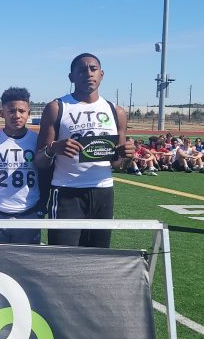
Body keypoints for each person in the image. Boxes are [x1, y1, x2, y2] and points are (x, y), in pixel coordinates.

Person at [34, 52, 134, 248]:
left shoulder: (116, 111)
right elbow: (39, 161)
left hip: (103, 192)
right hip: (66, 192)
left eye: (93, 69)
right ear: (71, 77)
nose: (88, 73)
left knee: (98, 255)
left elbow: (118, 164)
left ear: (101, 74)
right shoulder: (57, 107)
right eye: (81, 70)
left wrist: (127, 155)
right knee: (62, 256)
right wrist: (54, 148)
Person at [0, 87, 42, 244]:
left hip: (29, 213)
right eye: (11, 111)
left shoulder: (37, 140)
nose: (17, 115)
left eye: (22, 111)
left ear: (28, 113)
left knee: (26, 259)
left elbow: (45, 176)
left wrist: (41, 208)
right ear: (2, 113)